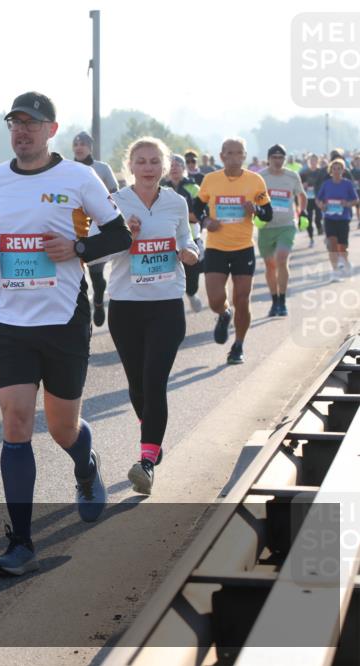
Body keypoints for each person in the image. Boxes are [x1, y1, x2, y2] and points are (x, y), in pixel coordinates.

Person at [0, 92, 132, 576]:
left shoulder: (79, 178)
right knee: (16, 422)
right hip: (10, 323)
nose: (22, 131)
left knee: (62, 428)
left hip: (62, 321)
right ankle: (20, 543)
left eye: (32, 123)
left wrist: (78, 248)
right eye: (15, 123)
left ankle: (85, 466)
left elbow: (119, 236)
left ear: (51, 130)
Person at [104, 137, 199, 495]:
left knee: (155, 381)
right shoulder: (114, 202)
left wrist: (190, 252)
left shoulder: (176, 201)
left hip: (166, 304)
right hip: (126, 305)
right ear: (130, 165)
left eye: (154, 161)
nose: (148, 167)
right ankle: (153, 437)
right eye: (141, 161)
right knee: (138, 385)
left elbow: (187, 238)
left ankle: (145, 462)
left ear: (165, 165)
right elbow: (97, 255)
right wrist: (124, 238)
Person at [197, 137, 272, 365]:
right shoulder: (211, 180)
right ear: (222, 156)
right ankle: (223, 314)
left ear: (244, 156)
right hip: (216, 248)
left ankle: (238, 345)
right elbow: (196, 208)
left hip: (243, 248)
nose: (234, 157)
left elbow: (268, 214)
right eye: (229, 153)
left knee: (242, 299)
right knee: (215, 299)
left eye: (239, 153)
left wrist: (255, 209)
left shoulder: (255, 180)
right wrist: (206, 221)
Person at [72, 130, 119, 328]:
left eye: (83, 144)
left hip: (97, 226)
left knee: (96, 276)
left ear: (90, 147)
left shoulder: (102, 168)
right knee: (74, 275)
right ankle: (78, 315)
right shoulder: (67, 169)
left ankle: (98, 300)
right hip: (73, 227)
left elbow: (115, 194)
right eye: (76, 144)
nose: (79, 147)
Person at [258, 144, 306, 316]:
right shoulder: (260, 176)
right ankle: (275, 301)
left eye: (281, 158)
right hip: (266, 227)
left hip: (286, 226)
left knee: (281, 258)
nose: (278, 161)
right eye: (274, 157)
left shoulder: (292, 176)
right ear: (268, 159)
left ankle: (283, 300)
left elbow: (301, 195)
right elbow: (252, 196)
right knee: (270, 265)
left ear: (285, 159)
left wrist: (303, 212)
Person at [161, 154, 206, 312]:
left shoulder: (193, 188)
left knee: (191, 277)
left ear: (183, 168)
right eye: (171, 166)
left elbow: (198, 216)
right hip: (167, 240)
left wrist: (175, 216)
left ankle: (192, 294)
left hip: (190, 238)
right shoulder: (161, 188)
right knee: (169, 278)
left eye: (177, 165)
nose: (174, 168)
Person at [317, 158, 360, 281]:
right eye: (334, 169)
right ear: (331, 170)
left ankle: (344, 259)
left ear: (343, 170)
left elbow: (356, 200)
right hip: (329, 218)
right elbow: (318, 199)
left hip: (343, 218)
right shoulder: (326, 184)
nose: (336, 171)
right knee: (332, 244)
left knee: (342, 247)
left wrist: (347, 203)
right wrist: (321, 205)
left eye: (339, 168)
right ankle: (335, 271)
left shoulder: (347, 184)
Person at [301, 153, 326, 246]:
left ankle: (320, 227)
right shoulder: (304, 172)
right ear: (309, 161)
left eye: (314, 160)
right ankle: (311, 238)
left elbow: (324, 184)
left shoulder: (321, 172)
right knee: (309, 219)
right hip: (308, 199)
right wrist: (303, 185)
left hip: (318, 198)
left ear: (317, 161)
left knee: (318, 218)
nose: (313, 162)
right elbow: (299, 184)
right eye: (311, 160)